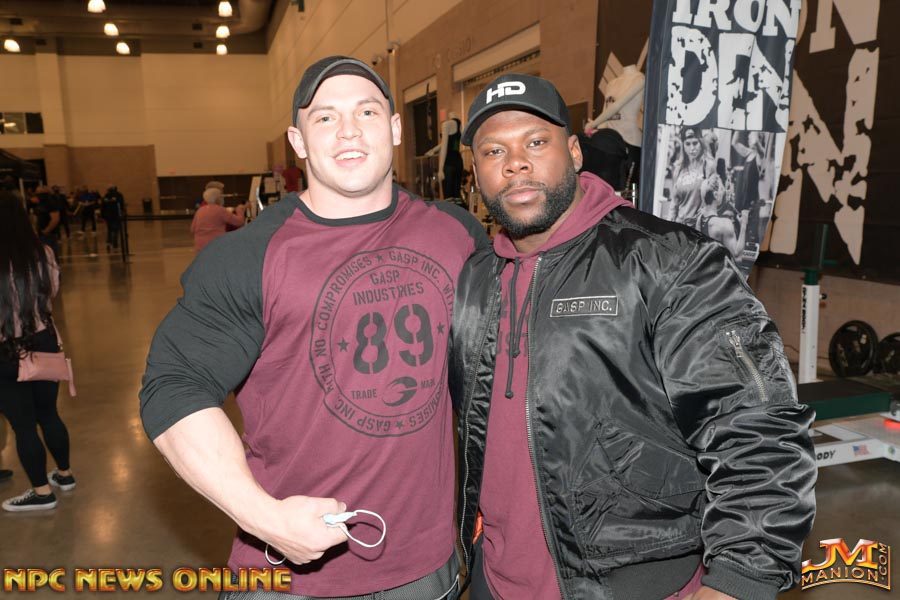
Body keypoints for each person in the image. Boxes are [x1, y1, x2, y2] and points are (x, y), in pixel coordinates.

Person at [449, 74, 816, 600]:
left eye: (536, 142)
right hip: (497, 580)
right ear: (477, 172)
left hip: (633, 585)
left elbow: (757, 426)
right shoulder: (475, 280)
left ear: (574, 152)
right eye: (493, 151)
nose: (516, 163)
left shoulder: (668, 261)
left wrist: (741, 578)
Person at [140, 55, 488, 599]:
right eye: (325, 117)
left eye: (366, 112)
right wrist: (264, 517)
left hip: (426, 571)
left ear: (395, 128)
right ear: (298, 141)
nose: (348, 130)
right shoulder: (247, 257)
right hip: (291, 579)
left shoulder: (457, 234)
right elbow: (173, 387)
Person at [0, 191, 76, 512]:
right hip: (44, 342)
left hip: (6, 351)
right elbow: (52, 291)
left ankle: (42, 493)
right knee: (49, 413)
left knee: (24, 425)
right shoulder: (43, 252)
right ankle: (64, 474)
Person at [671, 126, 717, 229]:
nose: (692, 148)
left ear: (701, 142)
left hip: (699, 226)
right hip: (680, 224)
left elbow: (715, 199)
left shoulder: (708, 166)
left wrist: (706, 210)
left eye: (695, 143)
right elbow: (674, 202)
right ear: (683, 146)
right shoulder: (678, 169)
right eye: (687, 144)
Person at [189, 187, 246, 253]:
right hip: (216, 246)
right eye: (221, 197)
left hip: (200, 247)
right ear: (217, 199)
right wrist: (239, 209)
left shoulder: (200, 210)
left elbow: (192, 229)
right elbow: (239, 222)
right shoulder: (220, 210)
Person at [425, 112, 464, 200]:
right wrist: (433, 150)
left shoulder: (446, 124)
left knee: (448, 197)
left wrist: (440, 170)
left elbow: (444, 147)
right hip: (458, 162)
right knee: (456, 196)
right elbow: (448, 143)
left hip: (448, 163)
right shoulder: (459, 124)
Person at [28, 186, 61, 260]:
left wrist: (47, 230)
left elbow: (55, 219)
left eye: (40, 193)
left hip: (49, 234)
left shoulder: (51, 203)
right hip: (41, 234)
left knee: (51, 255)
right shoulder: (39, 203)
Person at [100, 185, 125, 251]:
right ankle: (115, 244)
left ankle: (109, 242)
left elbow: (102, 207)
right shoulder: (119, 195)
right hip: (116, 215)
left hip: (108, 216)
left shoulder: (106, 196)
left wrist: (102, 216)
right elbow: (121, 205)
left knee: (109, 229)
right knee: (116, 230)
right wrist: (123, 212)